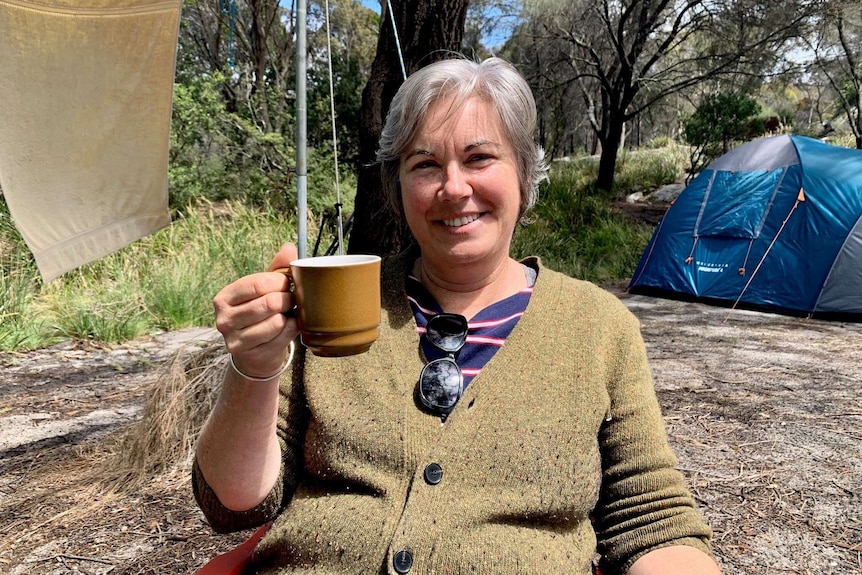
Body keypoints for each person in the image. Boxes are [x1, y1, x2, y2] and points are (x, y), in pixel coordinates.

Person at [193, 56, 722, 575]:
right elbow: (234, 505)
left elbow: (653, 518)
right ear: (396, 187)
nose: (454, 187)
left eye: (479, 158)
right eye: (424, 164)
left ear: (524, 173)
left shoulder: (599, 327)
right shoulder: (328, 307)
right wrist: (255, 366)